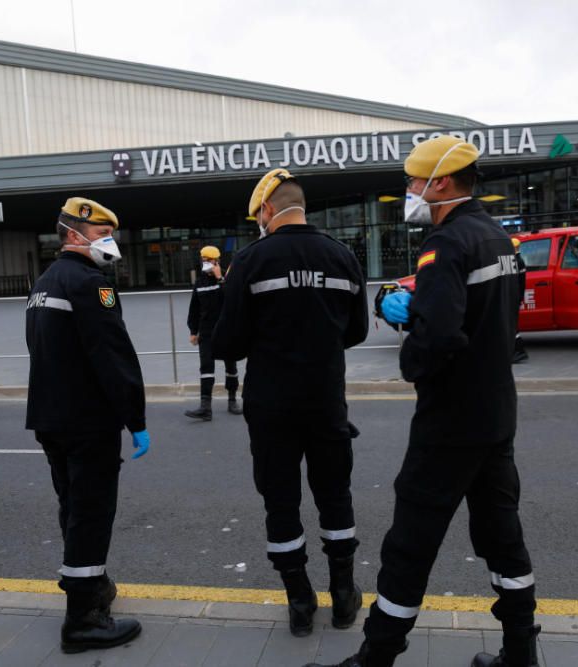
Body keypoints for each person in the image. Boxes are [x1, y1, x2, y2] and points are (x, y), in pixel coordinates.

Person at [310, 136, 539, 667]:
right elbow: (492, 319)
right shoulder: (499, 240)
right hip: (496, 411)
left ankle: (378, 655)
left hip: (451, 419)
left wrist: (407, 323)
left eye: (413, 182)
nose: (409, 190)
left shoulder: (446, 243)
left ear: (440, 182)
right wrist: (431, 312)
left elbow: (437, 340)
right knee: (502, 534)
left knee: (410, 543)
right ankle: (520, 651)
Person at [212, 168, 369, 637]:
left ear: (266, 210)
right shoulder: (342, 256)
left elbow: (228, 344)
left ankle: (299, 601)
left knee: (281, 503)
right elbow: (357, 331)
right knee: (334, 496)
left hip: (272, 408)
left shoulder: (250, 261)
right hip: (326, 403)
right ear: (301, 205)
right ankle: (344, 596)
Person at [25, 197, 150, 654]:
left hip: (50, 416)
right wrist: (135, 419)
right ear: (74, 234)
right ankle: (83, 620)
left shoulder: (43, 283)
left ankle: (93, 586)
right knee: (92, 515)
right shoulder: (90, 284)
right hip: (86, 421)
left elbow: (38, 348)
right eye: (102, 235)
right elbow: (114, 356)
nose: (109, 243)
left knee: (73, 507)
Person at [185, 245, 242, 420]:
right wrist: (193, 331)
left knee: (231, 367)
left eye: (209, 260)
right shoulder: (200, 282)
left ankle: (232, 400)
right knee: (206, 367)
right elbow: (194, 309)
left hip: (226, 329)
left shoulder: (227, 277)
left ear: (217, 261)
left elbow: (232, 300)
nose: (206, 263)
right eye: (204, 260)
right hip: (206, 332)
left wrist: (220, 279)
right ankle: (205, 407)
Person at [511, 237, 529, 364]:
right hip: (516, 297)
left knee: (512, 325)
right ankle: (517, 351)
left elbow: (516, 282)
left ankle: (519, 351)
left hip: (513, 297)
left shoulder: (516, 261)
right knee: (513, 325)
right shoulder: (520, 260)